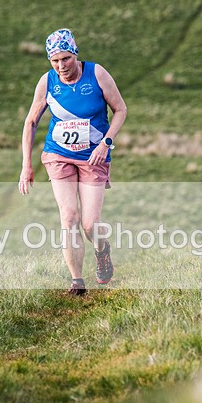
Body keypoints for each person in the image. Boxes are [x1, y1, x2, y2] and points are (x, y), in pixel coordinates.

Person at [19, 28, 127, 296]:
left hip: (94, 156)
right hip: (58, 155)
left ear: (75, 54)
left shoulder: (97, 74)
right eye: (55, 61)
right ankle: (77, 281)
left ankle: (102, 250)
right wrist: (26, 165)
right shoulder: (47, 81)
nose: (61, 66)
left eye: (65, 59)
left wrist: (106, 143)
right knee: (69, 218)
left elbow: (121, 110)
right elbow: (31, 121)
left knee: (90, 224)